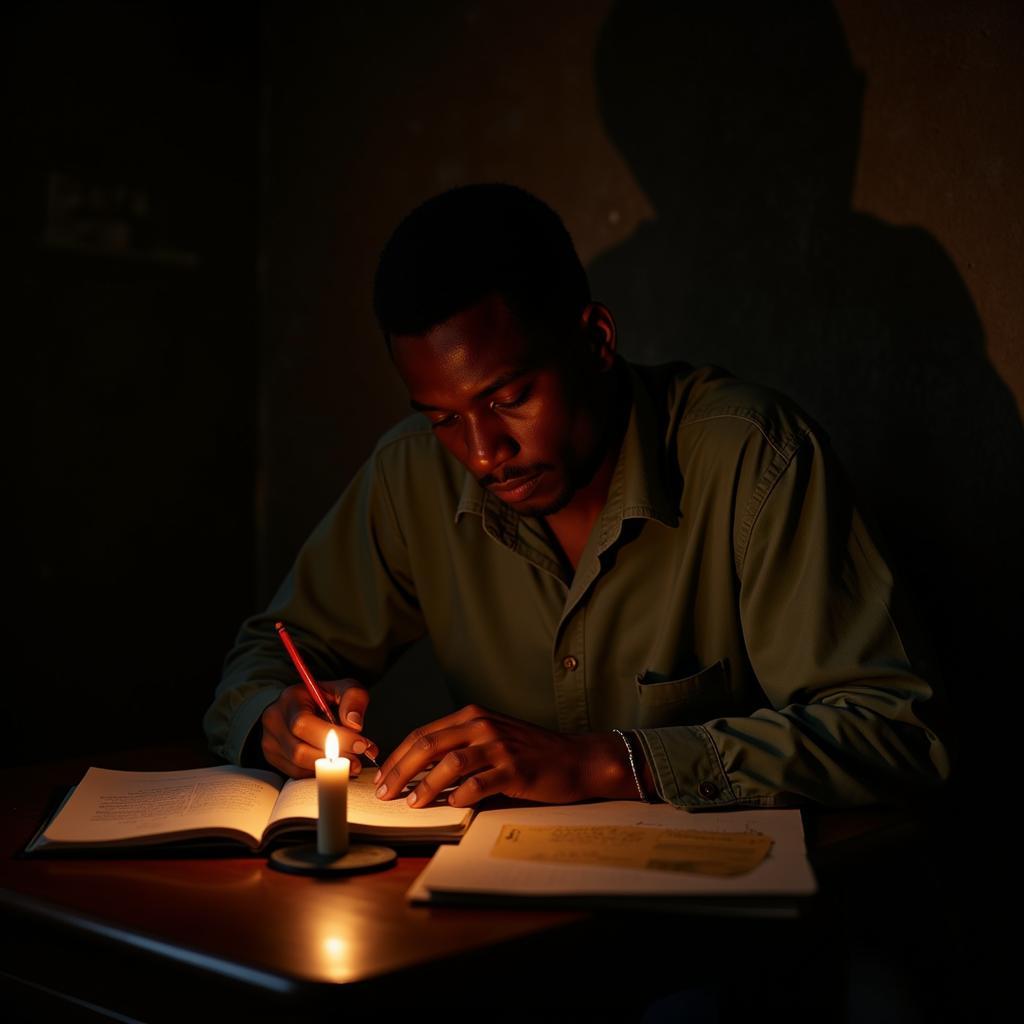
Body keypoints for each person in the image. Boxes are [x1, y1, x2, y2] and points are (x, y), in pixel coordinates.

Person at [203, 183, 949, 812]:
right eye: (442, 420)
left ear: (594, 342)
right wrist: (274, 716)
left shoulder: (750, 456)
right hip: (507, 920)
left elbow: (898, 732)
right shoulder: (411, 475)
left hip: (732, 936)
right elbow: (270, 652)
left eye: (512, 396)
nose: (484, 452)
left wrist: (606, 764)